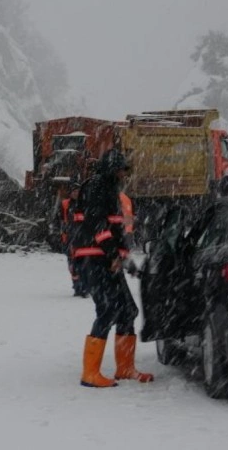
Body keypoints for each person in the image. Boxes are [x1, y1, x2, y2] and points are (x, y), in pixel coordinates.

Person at [71, 149, 153, 388]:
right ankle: (90, 374)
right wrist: (112, 254)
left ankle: (125, 368)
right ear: (111, 170)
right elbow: (98, 224)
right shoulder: (97, 187)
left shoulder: (113, 191)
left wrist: (125, 259)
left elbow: (117, 229)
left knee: (127, 311)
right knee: (107, 310)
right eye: (120, 170)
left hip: (107, 258)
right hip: (92, 258)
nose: (123, 174)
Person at [60, 177, 87, 297]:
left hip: (84, 238)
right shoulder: (65, 204)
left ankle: (84, 286)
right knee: (72, 264)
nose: (76, 193)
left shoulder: (86, 204)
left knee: (84, 263)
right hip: (70, 238)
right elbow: (61, 220)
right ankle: (77, 286)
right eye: (74, 191)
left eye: (78, 191)